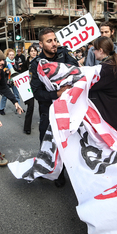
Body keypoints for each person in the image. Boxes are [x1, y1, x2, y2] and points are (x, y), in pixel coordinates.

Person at [30, 27, 78, 187]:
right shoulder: (36, 64)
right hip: (48, 111)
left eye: (55, 40)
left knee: (66, 142)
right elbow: (37, 93)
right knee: (47, 142)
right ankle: (47, 167)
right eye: (49, 41)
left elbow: (78, 73)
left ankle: (60, 174)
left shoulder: (65, 56)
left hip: (68, 110)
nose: (54, 44)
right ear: (41, 44)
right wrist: (56, 94)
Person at [89, 36, 117, 136]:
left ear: (100, 50)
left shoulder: (104, 69)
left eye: (94, 49)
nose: (93, 52)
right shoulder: (114, 64)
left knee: (112, 151)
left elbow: (89, 86)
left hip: (113, 122)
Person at [21, 45, 38, 135]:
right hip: (28, 88)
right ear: (29, 53)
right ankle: (27, 128)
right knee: (30, 107)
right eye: (31, 51)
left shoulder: (40, 61)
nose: (33, 52)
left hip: (39, 87)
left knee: (43, 106)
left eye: (35, 51)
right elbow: (21, 75)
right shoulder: (25, 63)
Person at [0, 48, 21, 115]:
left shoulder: (16, 62)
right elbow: (0, 71)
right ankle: (1, 109)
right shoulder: (4, 62)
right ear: (7, 55)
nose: (11, 56)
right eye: (10, 55)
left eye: (12, 55)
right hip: (6, 82)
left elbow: (18, 71)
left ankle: (18, 108)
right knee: (5, 96)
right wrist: (5, 71)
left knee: (16, 95)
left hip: (14, 82)